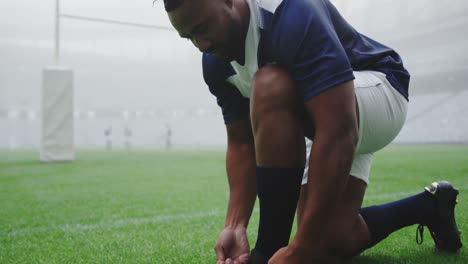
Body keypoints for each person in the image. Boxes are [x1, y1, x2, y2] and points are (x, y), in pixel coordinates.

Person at [160, 0, 463, 263]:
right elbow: (241, 143)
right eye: (188, 37)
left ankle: (267, 251)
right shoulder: (214, 63)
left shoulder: (289, 12)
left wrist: (299, 249)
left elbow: (340, 130)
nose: (201, 45)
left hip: (378, 90)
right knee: (329, 243)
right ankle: (429, 206)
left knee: (270, 84)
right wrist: (235, 224)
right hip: (323, 114)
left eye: (202, 28)